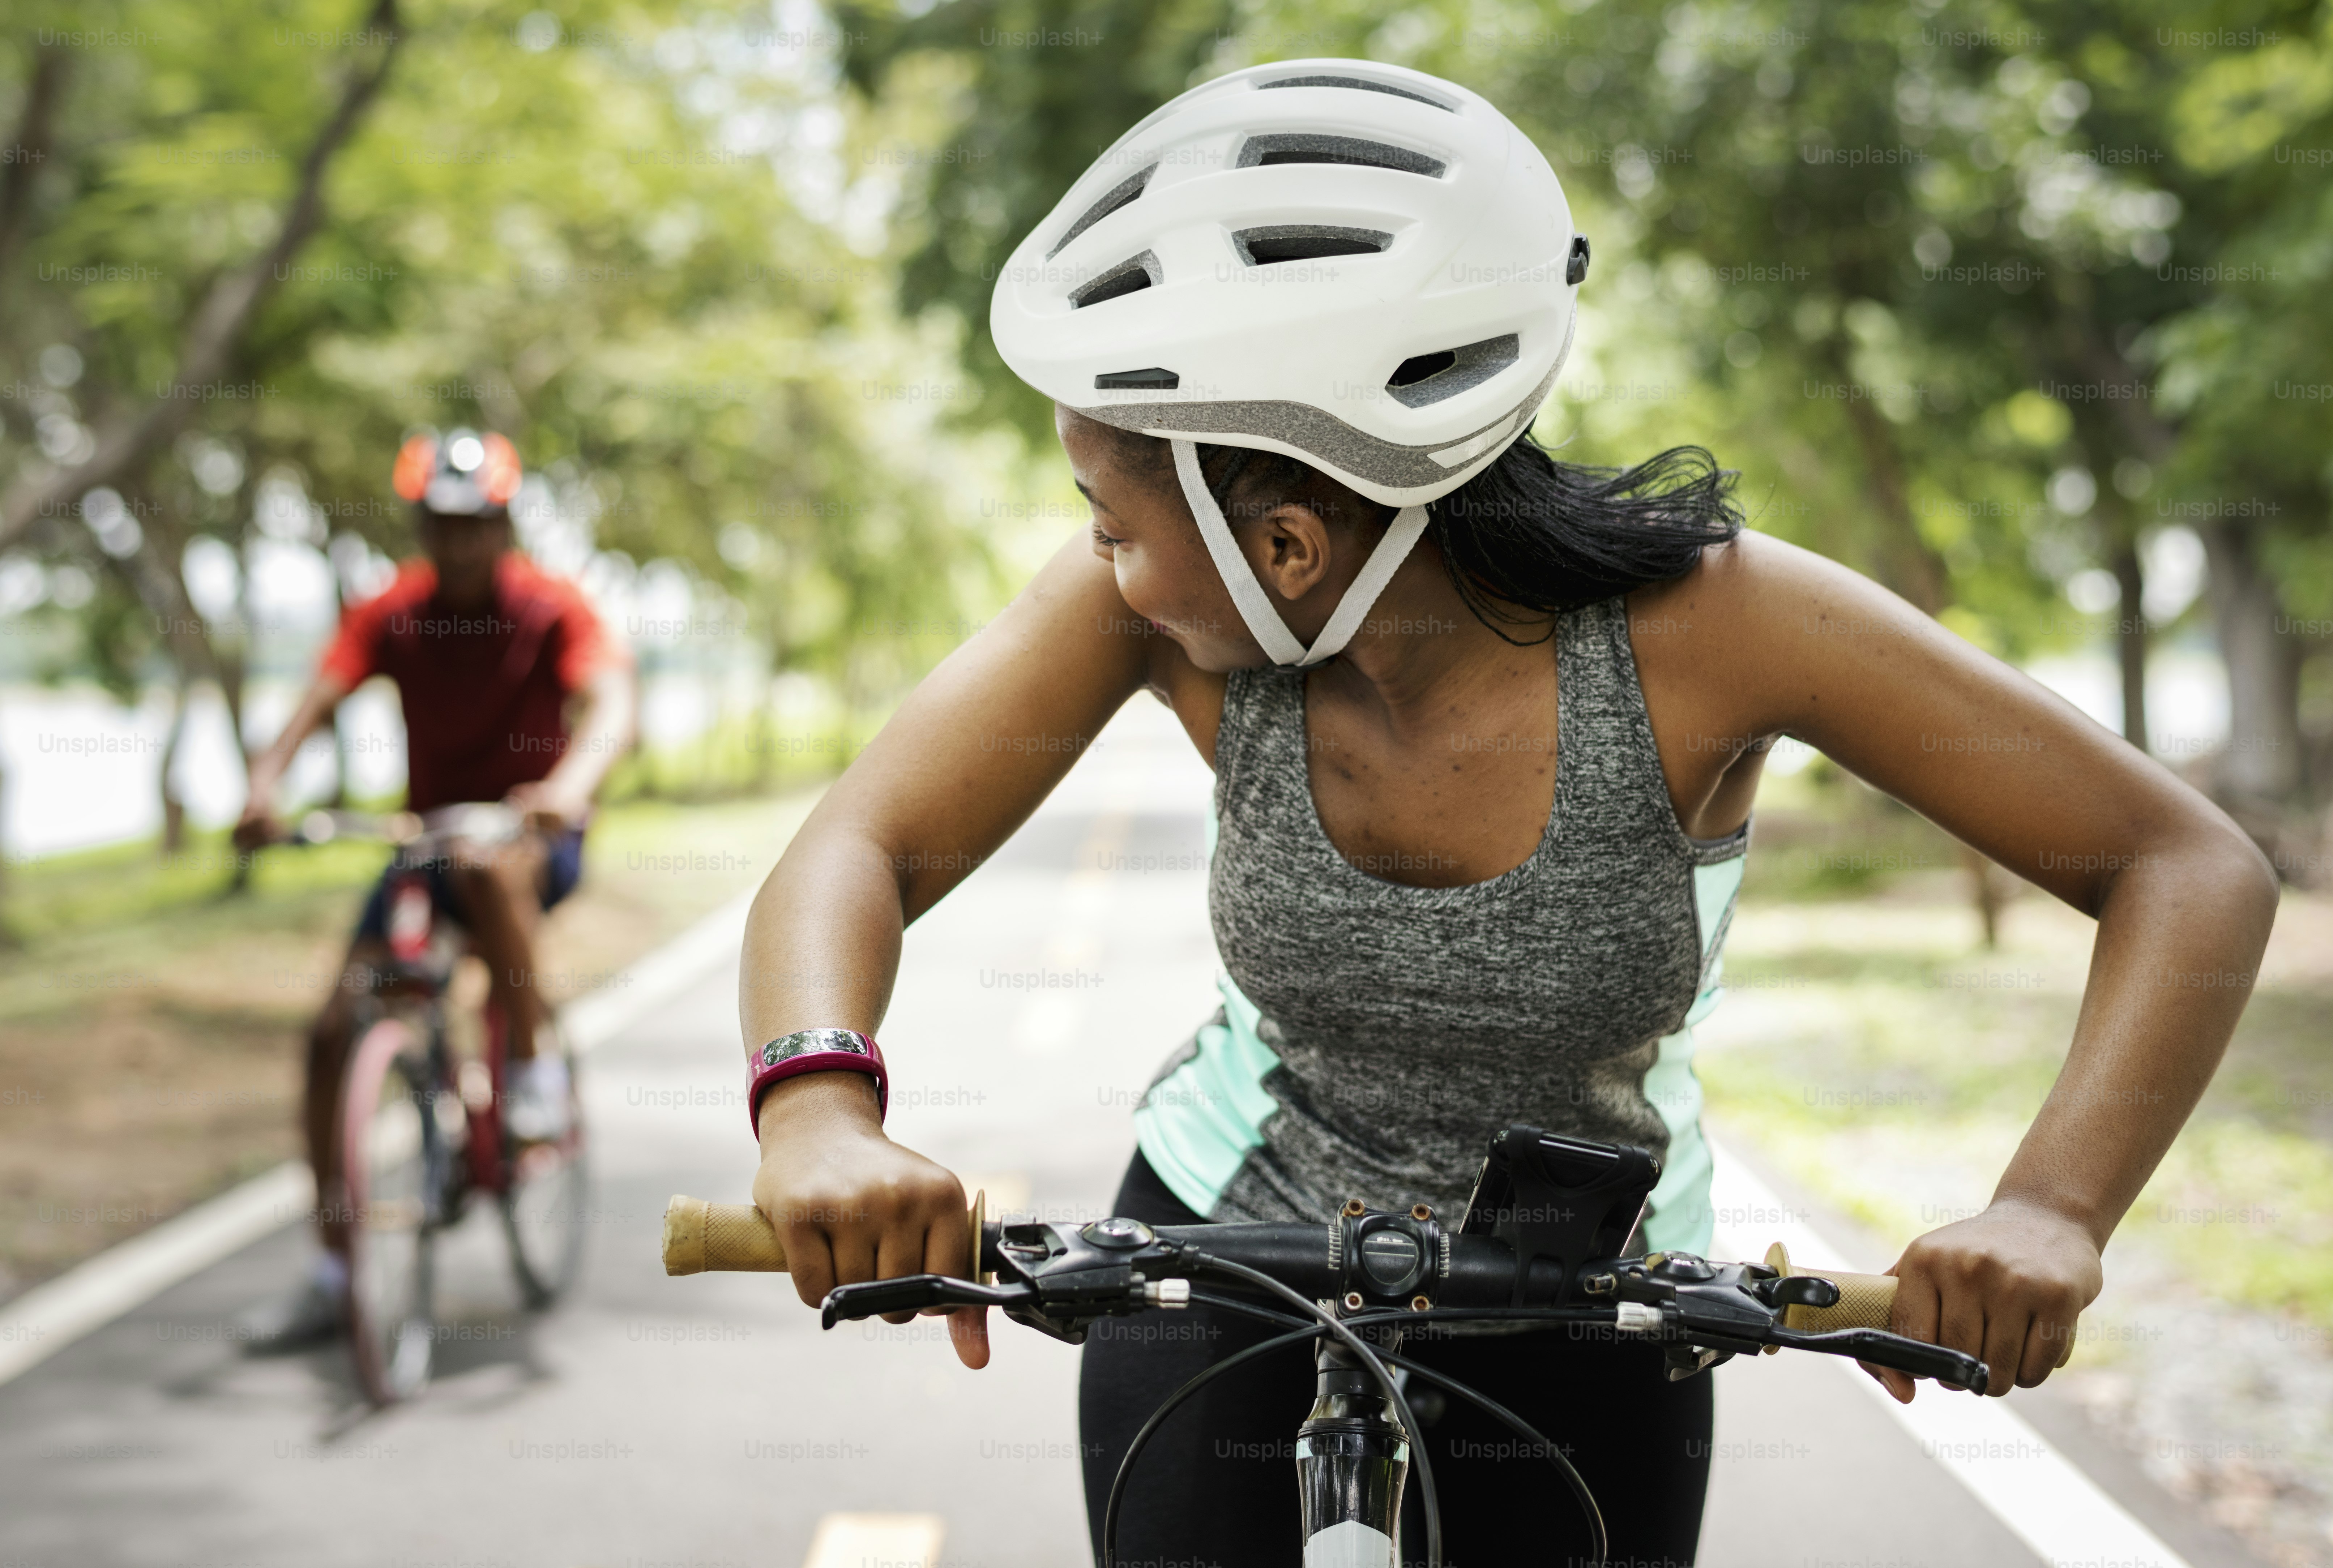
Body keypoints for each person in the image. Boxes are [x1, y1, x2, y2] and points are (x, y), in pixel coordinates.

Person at [735, 60, 2278, 1565]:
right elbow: (856, 845)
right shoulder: (1150, 612)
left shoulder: (1713, 630)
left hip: (1585, 1284)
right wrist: (816, 1106)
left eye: (1111, 520)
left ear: (1281, 542)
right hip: (1225, 1252)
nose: (1100, 562)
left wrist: (2048, 1210)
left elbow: (2182, 864)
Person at [232, 426, 636, 1346]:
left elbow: (614, 704)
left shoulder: (549, 606)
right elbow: (313, 704)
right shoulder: (391, 614)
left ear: (504, 526)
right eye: (442, 525)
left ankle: (530, 1078)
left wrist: (567, 791)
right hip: (423, 842)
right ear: (420, 527)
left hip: (529, 840)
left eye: (479, 524)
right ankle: (333, 1274)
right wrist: (264, 791)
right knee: (333, 1032)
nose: (460, 543)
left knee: (490, 867)